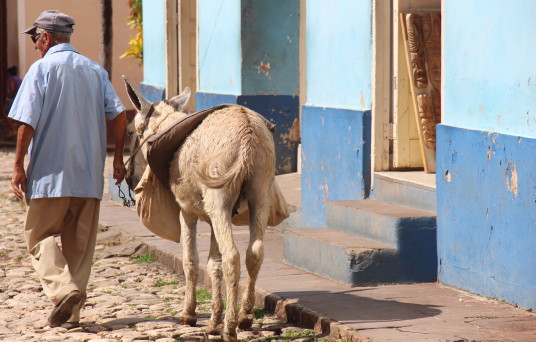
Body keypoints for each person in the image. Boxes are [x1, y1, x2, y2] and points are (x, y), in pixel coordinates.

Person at [8, 10, 127, 328]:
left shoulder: (41, 69)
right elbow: (120, 116)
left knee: (37, 238)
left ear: (46, 37)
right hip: (88, 178)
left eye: (36, 38)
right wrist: (117, 161)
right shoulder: (95, 71)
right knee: (79, 248)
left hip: (50, 175)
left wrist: (18, 167)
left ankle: (63, 290)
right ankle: (71, 315)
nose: (34, 45)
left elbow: (26, 122)